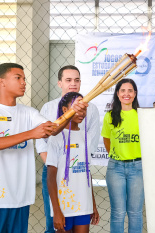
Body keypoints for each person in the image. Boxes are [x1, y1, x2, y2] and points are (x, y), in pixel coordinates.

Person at [0, 63, 88, 233]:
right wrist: (30, 133)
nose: (24, 83)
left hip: (20, 199)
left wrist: (72, 113)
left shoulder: (29, 112)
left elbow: (53, 129)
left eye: (24, 79)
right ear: (2, 82)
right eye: (18, 78)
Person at [36, 65, 100, 233]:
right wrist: (56, 164)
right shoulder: (49, 108)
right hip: (55, 171)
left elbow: (91, 142)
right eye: (68, 80)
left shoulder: (91, 109)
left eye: (77, 80)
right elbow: (42, 143)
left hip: (79, 175)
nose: (73, 83)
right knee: (55, 223)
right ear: (60, 83)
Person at [47, 92, 100, 233]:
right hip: (63, 207)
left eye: (84, 108)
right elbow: (51, 177)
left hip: (83, 205)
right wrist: (56, 211)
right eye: (78, 108)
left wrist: (92, 205)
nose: (82, 112)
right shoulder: (56, 137)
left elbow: (86, 174)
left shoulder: (86, 137)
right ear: (65, 110)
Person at [101, 78, 144, 233]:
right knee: (118, 213)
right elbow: (107, 140)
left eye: (130, 90)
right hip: (116, 169)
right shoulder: (110, 116)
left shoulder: (142, 115)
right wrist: (117, 155)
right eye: (123, 91)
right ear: (117, 94)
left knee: (135, 213)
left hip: (138, 168)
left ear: (135, 94)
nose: (127, 94)